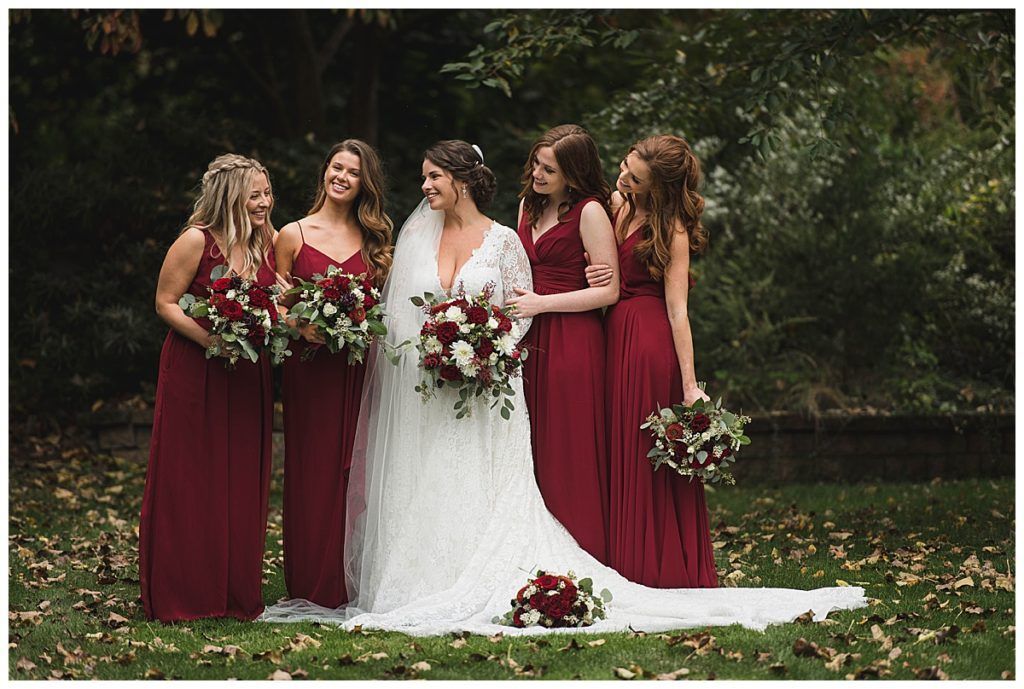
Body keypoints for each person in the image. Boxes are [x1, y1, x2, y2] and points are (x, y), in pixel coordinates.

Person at [260, 141, 866, 636]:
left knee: (535, 464)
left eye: (433, 177)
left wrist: (488, 349)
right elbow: (408, 313)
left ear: (462, 182)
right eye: (422, 178)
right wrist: (447, 344)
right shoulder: (493, 221)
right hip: (461, 373)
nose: (424, 188)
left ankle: (585, 560)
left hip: (530, 359)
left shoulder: (544, 228)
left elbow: (534, 301)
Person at [140, 153, 279, 622]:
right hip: (196, 369)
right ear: (229, 197)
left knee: (240, 476)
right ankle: (186, 593)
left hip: (246, 376)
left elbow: (283, 295)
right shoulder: (195, 241)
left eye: (266, 192)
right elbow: (165, 302)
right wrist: (213, 340)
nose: (264, 202)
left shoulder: (267, 240)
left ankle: (234, 594)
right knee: (192, 476)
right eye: (254, 195)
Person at [591, 134, 719, 588]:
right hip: (610, 333)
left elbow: (678, 311)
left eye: (636, 177)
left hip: (648, 343)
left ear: (659, 188)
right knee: (615, 445)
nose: (623, 176)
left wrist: (689, 384)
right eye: (625, 166)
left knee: (643, 453)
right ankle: (618, 555)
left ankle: (652, 564)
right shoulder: (617, 205)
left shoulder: (672, 231)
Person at [274, 139, 393, 608]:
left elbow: (384, 308)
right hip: (309, 369)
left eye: (354, 172)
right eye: (336, 167)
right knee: (312, 466)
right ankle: (309, 578)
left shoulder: (375, 239)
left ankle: (353, 577)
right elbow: (275, 303)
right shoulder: (292, 234)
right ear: (324, 172)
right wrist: (301, 326)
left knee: (357, 467)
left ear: (366, 183)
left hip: (358, 368)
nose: (342, 177)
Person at [507, 124, 619, 563]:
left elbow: (608, 291)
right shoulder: (525, 207)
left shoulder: (590, 212)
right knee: (529, 442)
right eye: (536, 162)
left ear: (573, 173)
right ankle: (535, 552)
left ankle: (582, 553)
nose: (537, 173)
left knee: (567, 445)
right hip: (527, 336)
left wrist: (542, 303)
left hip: (573, 339)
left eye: (549, 168)